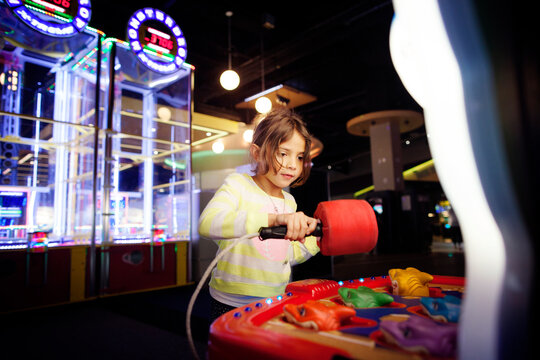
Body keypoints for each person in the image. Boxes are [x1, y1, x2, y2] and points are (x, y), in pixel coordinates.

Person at [198, 107, 320, 323]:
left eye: (300, 157)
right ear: (257, 153)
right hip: (230, 302)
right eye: (283, 153)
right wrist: (271, 219)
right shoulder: (238, 185)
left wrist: (316, 241)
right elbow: (207, 223)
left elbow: (284, 255)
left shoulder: (289, 201)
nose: (293, 164)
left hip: (274, 299)